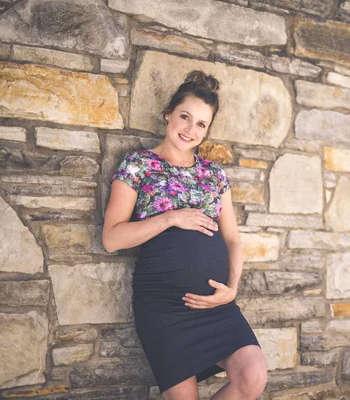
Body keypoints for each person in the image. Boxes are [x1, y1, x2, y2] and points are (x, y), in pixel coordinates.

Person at [102, 70, 268, 400]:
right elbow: (111, 238)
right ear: (169, 114)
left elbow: (233, 240)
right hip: (165, 306)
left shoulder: (214, 175)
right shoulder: (138, 165)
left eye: (201, 124)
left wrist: (231, 290)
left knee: (253, 377)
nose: (190, 130)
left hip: (216, 307)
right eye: (185, 117)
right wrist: (171, 218)